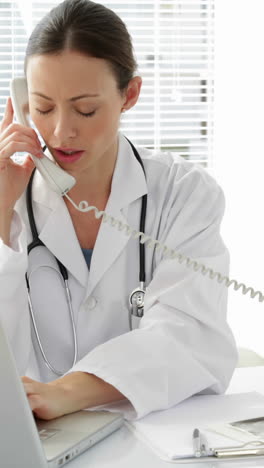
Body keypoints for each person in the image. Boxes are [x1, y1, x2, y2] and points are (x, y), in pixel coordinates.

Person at [0, 0, 237, 422]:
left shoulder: (184, 193)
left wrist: (67, 392)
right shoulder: (8, 192)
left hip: (151, 440)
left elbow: (193, 335)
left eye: (85, 109)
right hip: (31, 444)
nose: (61, 131)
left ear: (129, 95)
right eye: (43, 107)